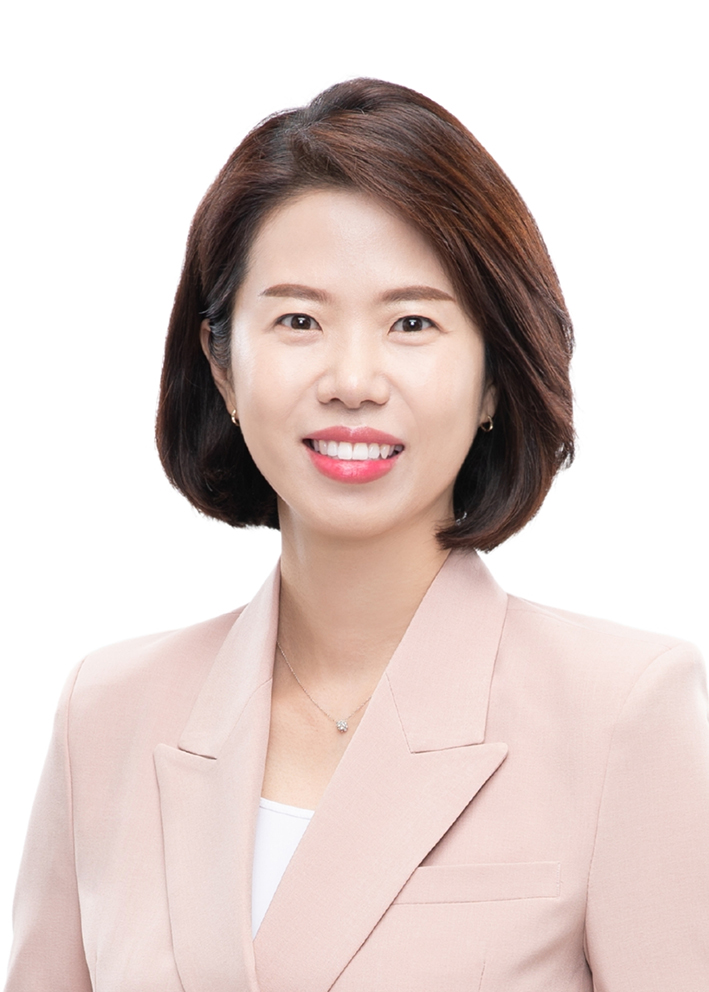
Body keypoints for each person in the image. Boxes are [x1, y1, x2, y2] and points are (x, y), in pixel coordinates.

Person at [5, 78, 708, 992]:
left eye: (411, 322)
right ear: (221, 365)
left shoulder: (625, 714)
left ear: (494, 379)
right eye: (297, 320)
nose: (352, 379)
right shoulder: (106, 714)